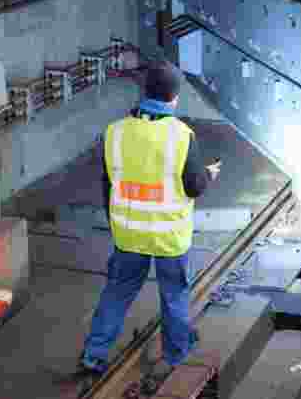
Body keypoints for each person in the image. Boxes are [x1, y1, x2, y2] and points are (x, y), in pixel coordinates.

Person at [78, 62, 220, 379]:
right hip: (169, 238)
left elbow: (108, 183)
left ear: (145, 91)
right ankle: (176, 354)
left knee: (116, 293)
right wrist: (209, 173)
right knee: (173, 295)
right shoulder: (182, 136)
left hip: (128, 234)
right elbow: (194, 186)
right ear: (175, 96)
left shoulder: (115, 132)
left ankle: (93, 354)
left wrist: (118, 220)